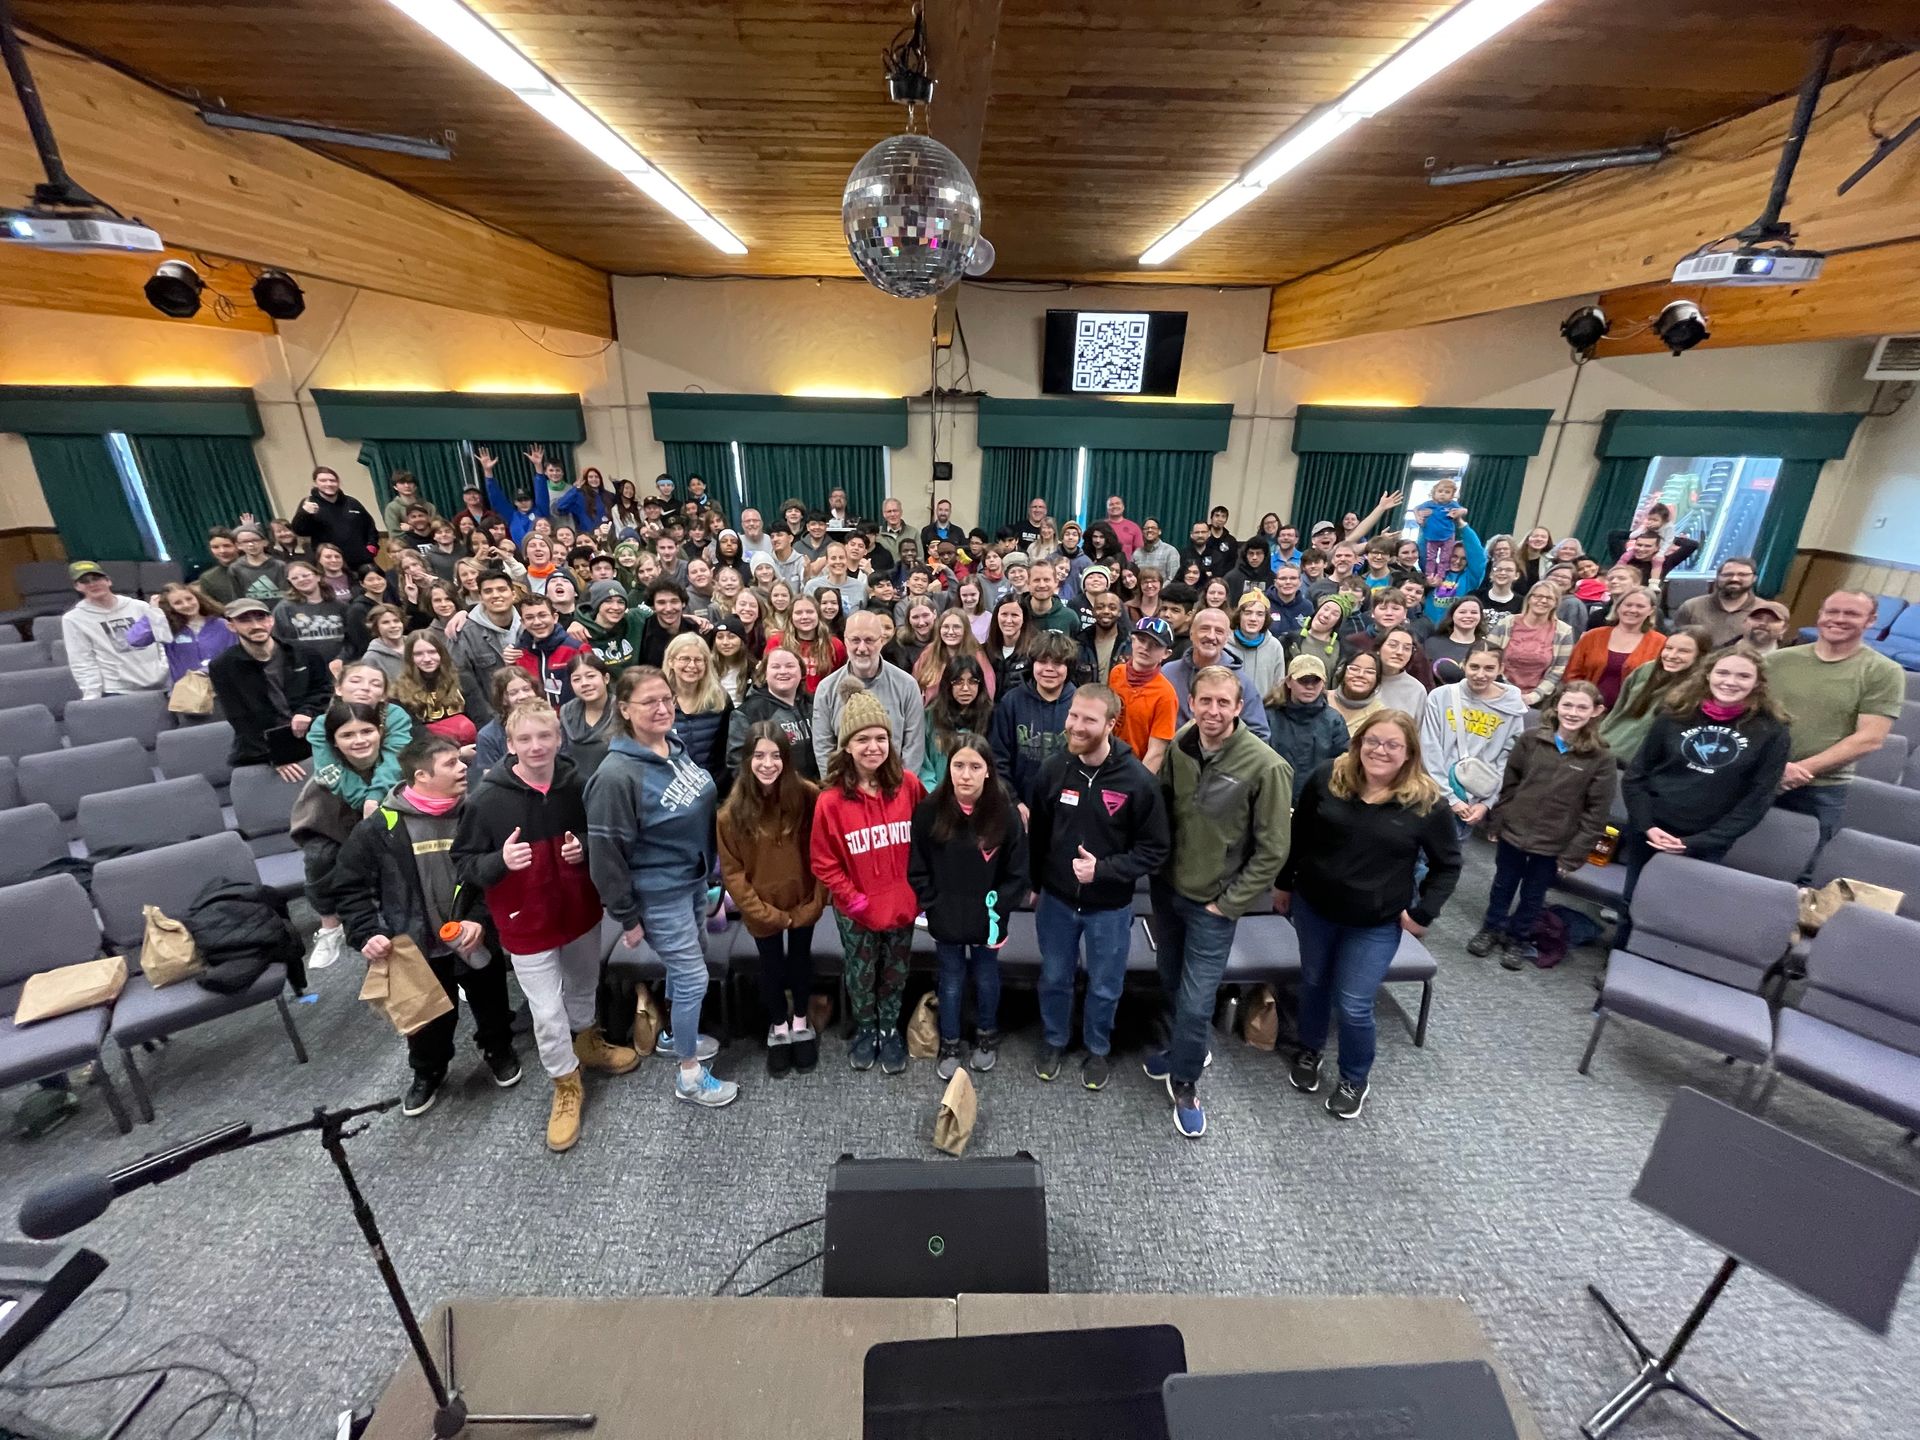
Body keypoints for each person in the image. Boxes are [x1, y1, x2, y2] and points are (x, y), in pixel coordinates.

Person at [454, 701, 632, 1151]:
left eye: (545, 736)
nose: (536, 746)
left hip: (579, 912)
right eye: (525, 739)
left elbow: (607, 837)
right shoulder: (486, 799)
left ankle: (587, 1042)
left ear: (559, 738)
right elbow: (464, 862)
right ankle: (565, 1082)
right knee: (547, 1013)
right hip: (525, 923)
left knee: (582, 988)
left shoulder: (580, 785)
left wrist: (586, 847)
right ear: (510, 745)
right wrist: (500, 861)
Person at [1278, 710, 1459, 1120]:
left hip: (1375, 923)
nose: (1380, 750)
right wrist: (1283, 883)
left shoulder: (1426, 802)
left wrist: (1423, 914)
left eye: (1392, 744)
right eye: (1372, 741)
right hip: (1315, 907)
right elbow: (1298, 836)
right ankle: (1310, 1049)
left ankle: (1354, 1077)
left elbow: (1448, 864)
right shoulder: (1327, 777)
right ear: (1358, 743)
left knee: (1355, 1004)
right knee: (1313, 983)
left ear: (1409, 752)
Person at [336, 733, 520, 1116]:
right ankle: (428, 1071)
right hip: (415, 946)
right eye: (451, 764)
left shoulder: (477, 813)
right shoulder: (379, 828)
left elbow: (497, 875)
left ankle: (498, 1050)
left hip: (474, 939)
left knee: (492, 1001)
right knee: (428, 1022)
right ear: (421, 776)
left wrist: (479, 921)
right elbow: (350, 890)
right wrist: (367, 932)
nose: (463, 768)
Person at [1146, 666, 1292, 1138]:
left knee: (1195, 1000)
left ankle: (1187, 1081)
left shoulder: (1265, 766)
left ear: (1239, 707)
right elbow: (1164, 806)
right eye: (1204, 702)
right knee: (1170, 979)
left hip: (1214, 904)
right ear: (1192, 701)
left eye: (1223, 703)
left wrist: (1228, 904)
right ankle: (1179, 1052)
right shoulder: (1184, 743)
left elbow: (1273, 850)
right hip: (1168, 891)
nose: (1212, 712)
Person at [586, 667, 736, 1107]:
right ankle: (690, 1077)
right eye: (648, 701)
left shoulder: (675, 747)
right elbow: (605, 857)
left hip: (691, 880)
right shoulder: (615, 777)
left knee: (691, 962)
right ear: (624, 709)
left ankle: (672, 1035)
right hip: (657, 893)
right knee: (692, 978)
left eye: (667, 699)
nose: (661, 708)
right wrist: (628, 918)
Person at [1030, 684, 1170, 1087]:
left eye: (1088, 719)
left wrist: (1104, 871)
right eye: (1073, 716)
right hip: (1056, 900)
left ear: (1111, 724)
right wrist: (1036, 882)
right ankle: (1055, 1039)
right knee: (1054, 977)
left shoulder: (1138, 781)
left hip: (1110, 906)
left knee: (1106, 985)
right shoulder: (1054, 769)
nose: (1075, 725)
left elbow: (1155, 850)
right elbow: (1038, 834)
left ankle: (1098, 1048)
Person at [810, 684, 926, 1074]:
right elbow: (823, 861)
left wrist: (920, 890)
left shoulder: (908, 785)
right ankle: (866, 1029)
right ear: (847, 746)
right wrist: (851, 898)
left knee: (895, 970)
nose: (873, 747)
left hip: (901, 904)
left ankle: (889, 1029)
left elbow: (928, 837)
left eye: (881, 738)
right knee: (861, 974)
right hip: (856, 908)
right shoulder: (830, 801)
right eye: (863, 739)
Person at [1622, 647, 1792, 906]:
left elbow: (1758, 798)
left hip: (1705, 842)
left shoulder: (1772, 731)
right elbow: (1636, 775)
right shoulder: (1674, 714)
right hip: (1651, 830)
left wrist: (1696, 842)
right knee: (1633, 903)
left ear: (1758, 683)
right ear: (1707, 675)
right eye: (1722, 672)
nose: (1730, 681)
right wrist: (1647, 826)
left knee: (1678, 911)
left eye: (1743, 676)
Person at [1471, 683, 1616, 968]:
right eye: (1567, 705)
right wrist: (1497, 821)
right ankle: (1492, 928)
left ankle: (1518, 938)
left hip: (1554, 841)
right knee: (1503, 884)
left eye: (1581, 707)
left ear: (1596, 711)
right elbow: (1510, 785)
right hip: (1515, 830)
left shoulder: (1601, 758)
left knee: (1534, 893)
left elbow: (1595, 813)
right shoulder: (1531, 740)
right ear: (1556, 706)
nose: (1573, 713)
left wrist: (1574, 854)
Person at [910, 731, 1028, 1081]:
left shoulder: (1004, 814)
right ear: (948, 768)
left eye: (974, 766)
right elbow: (917, 868)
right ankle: (949, 1041)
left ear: (988, 771)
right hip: (946, 915)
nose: (965, 774)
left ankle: (986, 1036)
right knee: (950, 978)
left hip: (988, 919)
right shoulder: (929, 811)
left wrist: (998, 908)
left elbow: (1017, 873)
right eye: (958, 765)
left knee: (986, 975)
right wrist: (933, 904)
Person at [718, 723, 827, 1076]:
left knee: (799, 961)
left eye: (776, 755)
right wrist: (769, 915)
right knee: (771, 966)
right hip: (761, 910)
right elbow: (733, 874)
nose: (768, 764)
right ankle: (778, 1026)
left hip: (803, 902)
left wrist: (815, 903)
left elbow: (826, 851)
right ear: (747, 759)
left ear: (787, 758)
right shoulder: (730, 813)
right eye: (760, 756)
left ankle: (799, 1022)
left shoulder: (809, 796)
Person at [1765, 590, 1904, 854]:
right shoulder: (1776, 661)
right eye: (1832, 611)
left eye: (1851, 613)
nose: (1838, 619)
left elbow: (1870, 739)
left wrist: (1798, 770)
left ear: (1871, 620)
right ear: (1820, 615)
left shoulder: (1884, 672)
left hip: (1820, 789)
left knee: (1802, 869)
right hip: (1758, 777)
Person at [208, 597, 331, 776]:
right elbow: (240, 718)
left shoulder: (305, 653)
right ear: (231, 626)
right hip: (263, 747)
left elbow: (324, 691)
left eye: (261, 618)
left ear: (271, 620)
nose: (256, 625)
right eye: (245, 620)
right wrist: (278, 754)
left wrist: (307, 711)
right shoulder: (223, 666)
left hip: (315, 735)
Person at [1419, 641, 1528, 829]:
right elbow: (1429, 747)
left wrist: (1487, 803)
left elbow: (1508, 758)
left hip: (1474, 799)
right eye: (1474, 667)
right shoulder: (1440, 696)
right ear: (1464, 665)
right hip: (1434, 793)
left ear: (1501, 669)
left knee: (1452, 854)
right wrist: (1450, 797)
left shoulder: (1513, 708)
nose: (1480, 675)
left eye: (1489, 668)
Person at [810, 609, 925, 779]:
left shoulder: (907, 685)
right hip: (845, 789)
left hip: (894, 786)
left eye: (869, 640)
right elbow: (823, 747)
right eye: (855, 640)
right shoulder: (826, 689)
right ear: (845, 641)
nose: (862, 648)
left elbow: (914, 746)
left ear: (881, 641)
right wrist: (837, 787)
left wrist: (900, 788)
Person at [1598, 627, 1712, 764]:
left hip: (1639, 764)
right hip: (1606, 750)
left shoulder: (1701, 690)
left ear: (1701, 655)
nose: (1671, 655)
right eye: (1668, 648)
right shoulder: (1645, 670)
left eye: (1683, 651)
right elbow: (1617, 712)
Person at [61, 561, 167, 700]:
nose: (93, 584)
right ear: (77, 587)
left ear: (108, 581)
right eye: (85, 581)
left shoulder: (140, 606)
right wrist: (92, 696)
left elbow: (163, 640)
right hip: (118, 690)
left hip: (163, 683)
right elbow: (81, 660)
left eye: (96, 578)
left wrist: (166, 669)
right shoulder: (73, 619)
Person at [1164, 607, 1270, 741]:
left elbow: (1259, 735)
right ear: (1191, 633)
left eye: (1219, 631)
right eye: (1204, 628)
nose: (1211, 636)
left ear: (1227, 638)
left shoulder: (1241, 682)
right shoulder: (1168, 673)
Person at [127, 582, 234, 695]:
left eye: (189, 599)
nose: (187, 604)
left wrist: (205, 672)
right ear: (170, 607)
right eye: (178, 603)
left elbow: (231, 657)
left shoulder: (222, 625)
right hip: (185, 695)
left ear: (198, 598)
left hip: (222, 691)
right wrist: (153, 613)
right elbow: (135, 640)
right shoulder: (168, 629)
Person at [1565, 586, 1663, 710]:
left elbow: (1659, 682)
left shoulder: (1661, 643)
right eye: (1628, 605)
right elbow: (1572, 674)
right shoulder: (1593, 636)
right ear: (1618, 607)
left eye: (1640, 606)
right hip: (1586, 710)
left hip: (1631, 714)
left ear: (1651, 610)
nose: (1632, 610)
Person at [663, 631, 733, 795]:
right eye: (685, 659)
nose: (692, 666)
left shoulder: (720, 700)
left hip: (712, 791)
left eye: (698, 660)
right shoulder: (658, 700)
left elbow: (727, 753)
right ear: (671, 661)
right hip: (670, 792)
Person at [449, 570, 522, 721]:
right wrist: (491, 721)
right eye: (488, 591)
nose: (496, 595)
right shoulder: (464, 633)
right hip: (492, 717)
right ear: (481, 597)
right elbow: (465, 685)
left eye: (502, 589)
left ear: (513, 594)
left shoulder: (529, 626)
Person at [1110, 617, 1179, 774]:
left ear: (1166, 653)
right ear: (1132, 640)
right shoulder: (1117, 673)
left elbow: (1156, 753)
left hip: (1135, 770)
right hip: (1107, 762)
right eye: (1141, 639)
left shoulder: (1166, 695)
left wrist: (1138, 786)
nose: (1146, 647)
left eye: (1155, 645)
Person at [1489, 583, 1575, 706]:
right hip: (1499, 692)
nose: (1543, 601)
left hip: (1539, 701)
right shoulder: (1507, 623)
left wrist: (1533, 696)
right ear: (1529, 599)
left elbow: (1558, 671)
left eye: (1549, 598)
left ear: (1556, 603)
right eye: (1538, 596)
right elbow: (1489, 658)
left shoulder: (1564, 631)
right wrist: (1509, 692)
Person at [918, 653, 992, 790]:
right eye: (958, 682)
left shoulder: (991, 715)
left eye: (972, 682)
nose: (965, 688)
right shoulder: (931, 715)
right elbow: (923, 764)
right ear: (948, 685)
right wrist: (935, 795)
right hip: (937, 795)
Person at [396, 628, 480, 745]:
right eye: (418, 654)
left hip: (473, 746)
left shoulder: (464, 679)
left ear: (441, 653)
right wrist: (457, 752)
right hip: (429, 752)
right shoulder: (398, 692)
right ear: (410, 658)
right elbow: (414, 731)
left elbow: (481, 717)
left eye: (432, 652)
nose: (427, 659)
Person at [289, 466, 380, 566]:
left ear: (338, 483)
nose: (329, 484)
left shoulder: (352, 502)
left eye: (332, 480)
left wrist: (372, 547)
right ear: (315, 483)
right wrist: (305, 514)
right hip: (332, 565)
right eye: (323, 480)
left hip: (363, 561)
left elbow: (370, 527)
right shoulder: (308, 504)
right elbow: (299, 531)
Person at [1670, 557, 1761, 648]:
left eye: (1743, 574)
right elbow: (1673, 641)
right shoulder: (1692, 606)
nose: (1734, 579)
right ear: (1718, 577)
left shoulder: (1765, 610)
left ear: (1754, 578)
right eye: (1728, 574)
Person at [559, 652, 616, 778]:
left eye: (590, 676)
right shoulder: (567, 713)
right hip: (576, 788)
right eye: (576, 679)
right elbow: (563, 755)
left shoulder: (623, 712)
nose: (584, 683)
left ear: (606, 678)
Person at [1373, 627, 1428, 716]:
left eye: (1407, 648)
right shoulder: (1363, 678)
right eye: (1393, 645)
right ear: (1378, 648)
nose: (1399, 652)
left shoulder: (1417, 689)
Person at [1328, 652, 1384, 733]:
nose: (1361, 675)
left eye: (1369, 672)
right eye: (1354, 669)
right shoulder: (1322, 700)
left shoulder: (1380, 715)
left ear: (1377, 679)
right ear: (1343, 672)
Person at [1424, 595, 1484, 670]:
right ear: (1452, 615)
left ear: (1480, 616)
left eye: (1474, 612)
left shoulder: (1486, 648)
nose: (1468, 615)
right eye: (1462, 612)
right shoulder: (1431, 644)